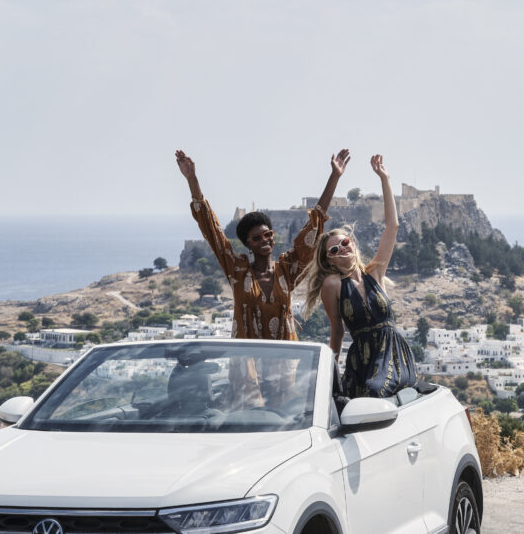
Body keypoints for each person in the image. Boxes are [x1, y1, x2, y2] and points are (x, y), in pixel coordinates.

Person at [175, 147, 350, 341]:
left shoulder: (287, 271)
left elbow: (315, 225)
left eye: (268, 234)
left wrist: (334, 176)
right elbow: (211, 229)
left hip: (284, 364)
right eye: (256, 238)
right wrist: (192, 179)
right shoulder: (237, 271)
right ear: (248, 244)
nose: (264, 240)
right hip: (247, 365)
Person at [304, 154, 417, 398]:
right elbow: (337, 330)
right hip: (362, 360)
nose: (342, 248)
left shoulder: (375, 272)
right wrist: (331, 371)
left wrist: (385, 179)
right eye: (334, 249)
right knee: (360, 397)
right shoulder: (332, 284)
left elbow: (392, 226)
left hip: (393, 354)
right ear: (329, 259)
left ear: (353, 243)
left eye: (345, 242)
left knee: (378, 391)